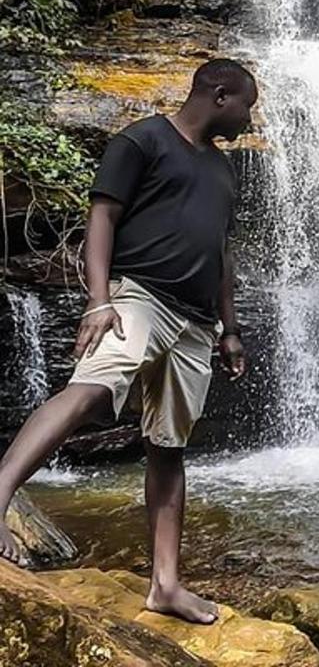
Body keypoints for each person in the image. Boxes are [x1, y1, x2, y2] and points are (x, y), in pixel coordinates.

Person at [0, 58, 258, 625]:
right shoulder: (141, 140)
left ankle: (165, 584)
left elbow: (222, 253)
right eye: (247, 106)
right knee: (93, 388)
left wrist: (230, 329)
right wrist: (99, 299)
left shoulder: (223, 170)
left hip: (195, 323)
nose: (248, 120)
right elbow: (102, 217)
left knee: (168, 448)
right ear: (220, 94)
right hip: (138, 296)